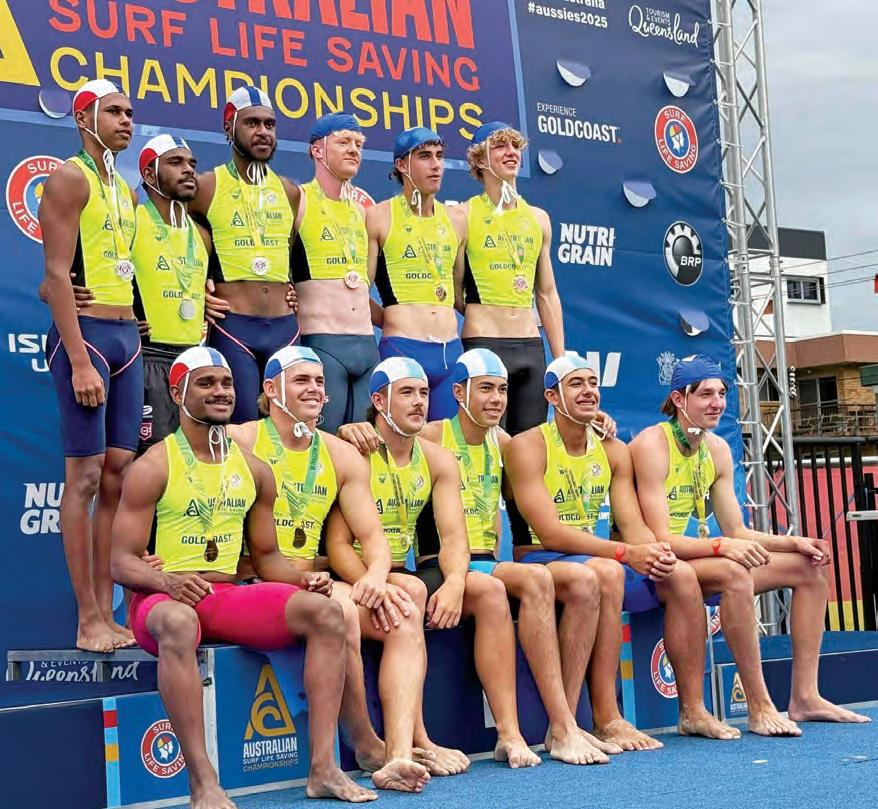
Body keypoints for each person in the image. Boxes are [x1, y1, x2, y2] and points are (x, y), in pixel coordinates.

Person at [110, 347, 376, 807]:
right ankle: (204, 783)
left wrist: (301, 582)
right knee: (179, 622)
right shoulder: (154, 465)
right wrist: (168, 582)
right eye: (206, 383)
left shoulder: (254, 469)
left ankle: (324, 769)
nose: (220, 392)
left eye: (227, 383)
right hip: (162, 600)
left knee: (326, 612)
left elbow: (268, 558)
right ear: (177, 393)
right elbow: (120, 563)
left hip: (223, 595)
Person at [505, 354, 738, 748]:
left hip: (592, 557)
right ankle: (586, 720)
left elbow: (632, 525)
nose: (588, 391)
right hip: (541, 556)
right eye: (576, 384)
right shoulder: (527, 445)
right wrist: (626, 553)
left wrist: (655, 552)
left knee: (679, 573)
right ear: (552, 396)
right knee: (608, 570)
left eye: (592, 383)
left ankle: (692, 710)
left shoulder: (612, 449)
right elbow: (550, 534)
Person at [630, 354, 872, 734]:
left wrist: (795, 542)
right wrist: (721, 547)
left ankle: (805, 697)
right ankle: (759, 706)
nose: (717, 403)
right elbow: (662, 540)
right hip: (654, 565)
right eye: (705, 394)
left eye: (722, 393)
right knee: (734, 573)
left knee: (809, 568)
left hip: (696, 558)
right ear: (679, 399)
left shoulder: (716, 448)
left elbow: (737, 530)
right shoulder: (651, 444)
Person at [228, 346, 431, 793]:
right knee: (342, 613)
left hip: (315, 580)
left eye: (320, 382)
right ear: (270, 389)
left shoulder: (340, 454)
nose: (315, 390)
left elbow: (373, 538)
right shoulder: (240, 440)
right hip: (255, 581)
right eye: (302, 381)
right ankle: (365, 743)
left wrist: (375, 577)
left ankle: (397, 753)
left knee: (403, 611)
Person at [334, 357, 541, 769]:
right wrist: (374, 585)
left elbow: (454, 538)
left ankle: (510, 734)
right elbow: (338, 544)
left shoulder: (437, 458)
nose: (418, 402)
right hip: (358, 573)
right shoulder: (354, 452)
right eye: (406, 393)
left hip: (400, 571)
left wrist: (455, 583)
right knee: (408, 592)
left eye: (424, 393)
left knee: (488, 590)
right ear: (379, 401)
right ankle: (416, 740)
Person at [416, 348, 621, 763]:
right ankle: (546, 729)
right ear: (459, 392)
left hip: (489, 562)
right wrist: (354, 430)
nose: (496, 399)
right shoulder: (432, 436)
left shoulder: (504, 442)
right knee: (534, 578)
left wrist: (589, 421)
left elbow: (547, 455)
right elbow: (384, 437)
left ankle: (566, 723)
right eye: (486, 389)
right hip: (441, 562)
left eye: (503, 390)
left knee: (584, 580)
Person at [40, 79, 141, 652]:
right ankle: (87, 619)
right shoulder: (70, 177)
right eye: (115, 112)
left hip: (126, 337)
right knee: (82, 478)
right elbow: (57, 274)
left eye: (130, 112)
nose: (127, 121)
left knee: (115, 476)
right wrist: (79, 360)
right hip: (89, 342)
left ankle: (107, 610)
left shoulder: (122, 187)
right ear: (84, 118)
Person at [190, 86, 301, 423]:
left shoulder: (289, 191)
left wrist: (290, 288)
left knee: (289, 429)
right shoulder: (206, 186)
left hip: (285, 329)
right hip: (233, 328)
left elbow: (287, 256)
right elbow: (168, 238)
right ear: (229, 127)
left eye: (269, 124)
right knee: (241, 431)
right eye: (252, 123)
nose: (263, 132)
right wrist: (195, 292)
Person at [456, 122, 565, 435]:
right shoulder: (463, 215)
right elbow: (453, 289)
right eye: (500, 146)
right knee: (489, 445)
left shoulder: (538, 218)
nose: (511, 152)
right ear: (479, 159)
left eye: (515, 146)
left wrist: (560, 360)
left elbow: (547, 293)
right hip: (484, 342)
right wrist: (483, 311)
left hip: (530, 346)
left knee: (528, 447)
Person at [368, 127, 466, 419]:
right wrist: (392, 317)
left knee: (448, 442)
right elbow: (357, 293)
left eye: (439, 156)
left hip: (450, 351)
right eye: (424, 156)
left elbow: (460, 294)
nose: (436, 165)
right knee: (403, 440)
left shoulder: (457, 219)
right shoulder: (378, 216)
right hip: (402, 347)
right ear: (401, 165)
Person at [291, 112, 379, 433]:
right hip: (322, 341)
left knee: (366, 448)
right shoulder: (299, 200)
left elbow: (362, 287)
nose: (354, 149)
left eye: (358, 144)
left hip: (367, 347)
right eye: (344, 142)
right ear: (317, 150)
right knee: (323, 444)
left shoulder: (362, 212)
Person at [131, 135, 210, 451]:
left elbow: (215, 291)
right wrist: (119, 318)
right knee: (148, 460)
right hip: (147, 357)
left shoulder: (201, 235)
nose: (188, 170)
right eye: (176, 163)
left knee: (196, 460)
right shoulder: (131, 221)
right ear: (149, 174)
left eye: (192, 163)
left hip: (194, 360)